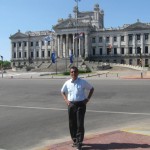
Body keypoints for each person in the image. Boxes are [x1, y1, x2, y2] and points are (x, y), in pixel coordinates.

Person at [61, 66, 94, 150]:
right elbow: (62, 91)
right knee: (72, 124)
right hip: (71, 105)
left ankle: (79, 142)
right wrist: (66, 100)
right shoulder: (67, 83)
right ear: (70, 73)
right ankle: (75, 140)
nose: (73, 73)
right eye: (72, 72)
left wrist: (87, 99)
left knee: (80, 124)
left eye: (75, 72)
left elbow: (91, 88)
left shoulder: (82, 82)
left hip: (81, 105)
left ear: (78, 73)